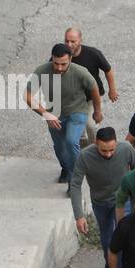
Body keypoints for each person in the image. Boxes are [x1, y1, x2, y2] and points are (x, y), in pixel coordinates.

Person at [25, 43, 102, 183]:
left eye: (63, 64)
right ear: (52, 58)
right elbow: (28, 96)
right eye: (56, 63)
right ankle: (66, 168)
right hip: (54, 114)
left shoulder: (80, 71)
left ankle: (75, 177)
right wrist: (45, 114)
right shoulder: (42, 71)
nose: (59, 68)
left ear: (70, 59)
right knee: (59, 147)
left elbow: (94, 89)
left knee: (71, 142)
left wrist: (97, 111)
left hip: (77, 111)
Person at [70, 126, 135, 268]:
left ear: (116, 143)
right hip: (100, 202)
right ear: (95, 143)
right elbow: (75, 184)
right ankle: (110, 265)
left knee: (123, 236)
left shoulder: (126, 149)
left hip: (122, 200)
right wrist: (79, 216)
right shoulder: (85, 156)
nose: (108, 154)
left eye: (111, 150)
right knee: (107, 238)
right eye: (103, 150)